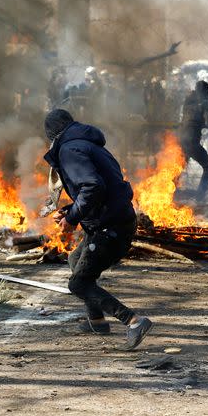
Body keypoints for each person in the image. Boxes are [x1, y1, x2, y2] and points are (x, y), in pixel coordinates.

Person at [43, 108, 153, 350]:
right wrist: (72, 208)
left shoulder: (70, 150)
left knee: (78, 284)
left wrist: (72, 218)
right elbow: (99, 188)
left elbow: (93, 186)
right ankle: (97, 320)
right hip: (111, 220)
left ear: (51, 134)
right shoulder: (85, 144)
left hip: (109, 227)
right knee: (75, 260)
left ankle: (133, 321)